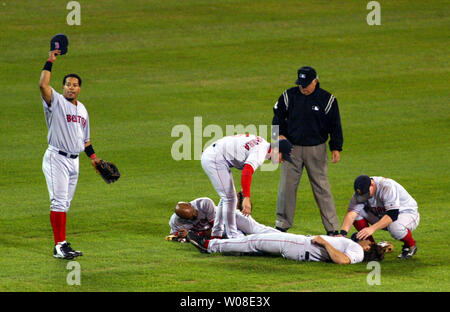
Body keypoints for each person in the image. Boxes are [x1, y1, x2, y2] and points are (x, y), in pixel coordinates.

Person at [40, 49, 102, 259]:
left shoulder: (83, 110)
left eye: (75, 85)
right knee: (58, 202)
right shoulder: (55, 102)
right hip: (56, 158)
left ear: (79, 89)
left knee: (64, 204)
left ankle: (63, 243)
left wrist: (94, 159)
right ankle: (59, 246)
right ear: (63, 87)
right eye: (68, 84)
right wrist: (50, 60)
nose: (71, 88)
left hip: (74, 162)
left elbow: (86, 140)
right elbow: (42, 85)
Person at [272, 66, 343, 235]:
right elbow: (277, 118)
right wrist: (278, 142)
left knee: (322, 188)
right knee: (286, 188)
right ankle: (281, 226)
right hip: (291, 149)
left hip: (316, 150)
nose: (303, 87)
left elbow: (335, 125)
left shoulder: (327, 99)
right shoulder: (289, 96)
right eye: (300, 84)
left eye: (306, 84)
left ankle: (332, 229)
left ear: (315, 81)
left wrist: (336, 147)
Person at [201, 134, 293, 239]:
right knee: (230, 198)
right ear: (276, 150)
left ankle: (216, 234)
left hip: (215, 154)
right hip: (214, 158)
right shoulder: (260, 152)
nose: (283, 161)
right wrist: (246, 197)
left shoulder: (263, 144)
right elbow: (247, 171)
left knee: (227, 197)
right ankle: (233, 237)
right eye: (283, 156)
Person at [339, 175, 420, 259]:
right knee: (357, 213)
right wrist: (342, 234)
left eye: (366, 194)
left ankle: (411, 246)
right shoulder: (361, 192)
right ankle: (373, 248)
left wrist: (372, 228)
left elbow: (392, 215)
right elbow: (351, 214)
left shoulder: (387, 186)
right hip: (381, 214)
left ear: (372, 185)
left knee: (395, 227)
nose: (365, 197)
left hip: (405, 213)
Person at [187, 230, 384, 265]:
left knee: (254, 241)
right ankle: (221, 241)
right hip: (298, 246)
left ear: (367, 249)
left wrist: (325, 242)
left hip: (298, 246)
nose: (368, 239)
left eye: (370, 242)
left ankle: (209, 245)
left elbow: (343, 261)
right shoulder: (356, 248)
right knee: (257, 240)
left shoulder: (357, 251)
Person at [167, 195, 280, 241]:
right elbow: (173, 236)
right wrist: (182, 237)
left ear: (191, 204)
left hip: (231, 217)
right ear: (182, 218)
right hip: (224, 230)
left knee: (256, 230)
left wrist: (192, 235)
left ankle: (283, 237)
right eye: (191, 217)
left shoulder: (204, 203)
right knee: (240, 243)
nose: (195, 215)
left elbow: (215, 228)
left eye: (194, 212)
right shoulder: (176, 222)